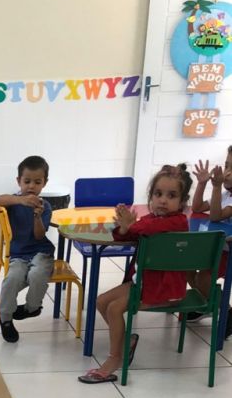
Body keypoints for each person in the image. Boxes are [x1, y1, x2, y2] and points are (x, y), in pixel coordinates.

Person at [79, 164, 192, 384]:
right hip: (145, 283)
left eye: (171, 196)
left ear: (182, 202)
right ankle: (127, 342)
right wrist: (124, 228)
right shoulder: (151, 219)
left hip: (165, 289)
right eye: (158, 194)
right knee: (101, 301)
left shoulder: (178, 221)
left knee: (114, 308)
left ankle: (114, 359)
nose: (163, 200)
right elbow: (130, 234)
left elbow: (145, 229)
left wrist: (131, 225)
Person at [0, 156, 55, 343]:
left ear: (44, 183)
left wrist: (37, 217)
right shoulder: (13, 202)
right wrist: (20, 201)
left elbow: (39, 236)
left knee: (37, 275)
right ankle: (5, 318)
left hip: (41, 252)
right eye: (27, 181)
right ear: (18, 181)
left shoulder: (45, 206)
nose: (31, 186)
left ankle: (32, 308)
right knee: (12, 279)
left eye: (37, 182)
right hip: (18, 254)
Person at [190, 152, 232, 339]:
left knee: (203, 278)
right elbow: (197, 207)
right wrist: (202, 183)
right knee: (187, 268)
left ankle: (226, 310)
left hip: (229, 253)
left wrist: (216, 186)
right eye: (227, 165)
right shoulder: (226, 194)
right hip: (219, 249)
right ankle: (208, 303)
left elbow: (215, 216)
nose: (226, 172)